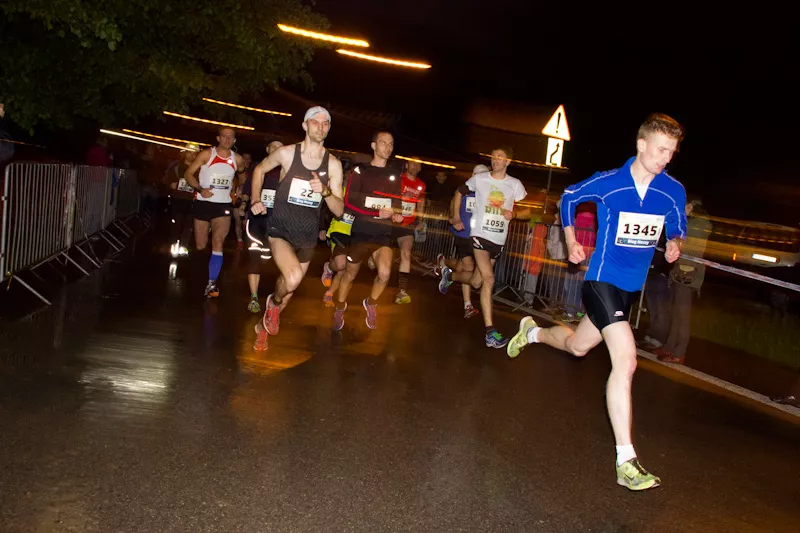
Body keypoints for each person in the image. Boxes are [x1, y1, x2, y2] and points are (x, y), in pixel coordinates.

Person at [506, 113, 688, 491]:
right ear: (641, 145)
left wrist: (675, 241)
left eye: (671, 152)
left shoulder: (672, 190)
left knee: (577, 346)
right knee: (627, 360)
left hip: (628, 290)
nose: (666, 158)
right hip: (601, 281)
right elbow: (569, 197)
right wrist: (571, 239)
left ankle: (532, 332)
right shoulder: (610, 182)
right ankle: (626, 461)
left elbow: (677, 222)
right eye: (660, 150)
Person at [250, 107, 344, 350]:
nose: (320, 127)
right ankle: (273, 304)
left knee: (290, 289)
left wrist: (325, 191)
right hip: (280, 229)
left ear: (329, 128)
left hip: (307, 236)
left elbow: (338, 210)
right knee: (292, 278)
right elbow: (259, 170)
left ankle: (263, 327)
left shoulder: (333, 165)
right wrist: (255, 199)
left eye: (325, 123)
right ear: (305, 125)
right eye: (315, 122)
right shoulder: (287, 153)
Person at [441, 148, 528, 348]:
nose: (495, 160)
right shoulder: (480, 179)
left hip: (499, 240)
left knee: (477, 281)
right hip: (480, 235)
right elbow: (459, 192)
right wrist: (456, 216)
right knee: (489, 279)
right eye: (493, 157)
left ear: (508, 161)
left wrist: (515, 214)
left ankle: (450, 275)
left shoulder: (515, 184)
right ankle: (490, 333)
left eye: (500, 157)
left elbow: (528, 211)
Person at [332, 131, 404, 331]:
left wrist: (396, 214)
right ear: (373, 145)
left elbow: (396, 202)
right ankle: (340, 307)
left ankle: (371, 303)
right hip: (361, 232)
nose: (388, 147)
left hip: (383, 233)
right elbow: (349, 202)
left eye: (391, 144)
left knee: (385, 273)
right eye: (383, 143)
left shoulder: (394, 175)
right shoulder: (360, 171)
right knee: (350, 274)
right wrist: (375, 211)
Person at [183, 127, 246, 298]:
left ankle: (212, 284)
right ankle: (203, 267)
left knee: (218, 242)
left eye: (230, 137)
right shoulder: (206, 154)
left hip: (222, 205)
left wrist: (238, 189)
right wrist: (200, 189)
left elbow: (242, 177)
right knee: (201, 245)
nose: (227, 139)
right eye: (224, 136)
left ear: (234, 140)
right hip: (203, 203)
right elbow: (188, 174)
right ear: (218, 138)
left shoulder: (237, 159)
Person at [655, 197, 711, 364]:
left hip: (687, 273)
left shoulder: (698, 225)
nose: (683, 209)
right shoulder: (692, 223)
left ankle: (679, 352)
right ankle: (669, 347)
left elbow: (692, 250)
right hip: (681, 271)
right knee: (676, 313)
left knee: (682, 315)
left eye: (686, 206)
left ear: (693, 206)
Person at [434, 164, 489, 319]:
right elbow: (453, 203)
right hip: (463, 234)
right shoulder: (465, 189)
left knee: (461, 266)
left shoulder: (487, 193)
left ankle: (444, 262)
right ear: (473, 175)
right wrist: (453, 218)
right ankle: (467, 305)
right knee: (469, 268)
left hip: (479, 236)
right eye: (478, 175)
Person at [244, 141, 283, 313]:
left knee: (268, 259)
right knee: (254, 257)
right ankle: (253, 297)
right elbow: (247, 190)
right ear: (267, 149)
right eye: (273, 147)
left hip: (277, 223)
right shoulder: (258, 169)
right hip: (257, 220)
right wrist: (244, 204)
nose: (276, 150)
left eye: (280, 147)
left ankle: (276, 294)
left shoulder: (287, 171)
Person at [393, 159, 426, 304]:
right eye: (412, 163)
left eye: (418, 164)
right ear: (406, 165)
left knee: (406, 254)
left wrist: (420, 220)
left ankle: (402, 291)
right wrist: (401, 198)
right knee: (377, 259)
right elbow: (386, 197)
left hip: (408, 225)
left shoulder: (421, 185)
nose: (415, 166)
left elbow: (421, 202)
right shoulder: (398, 179)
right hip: (391, 222)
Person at [163, 143, 200, 256]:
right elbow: (167, 180)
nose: (191, 156)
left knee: (189, 224)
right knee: (176, 223)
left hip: (192, 200)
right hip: (178, 199)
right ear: (185, 153)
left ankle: (184, 246)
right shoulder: (177, 166)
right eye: (189, 153)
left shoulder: (199, 169)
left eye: (194, 154)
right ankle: (174, 244)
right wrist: (171, 184)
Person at [232, 152, 252, 251]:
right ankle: (239, 241)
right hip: (238, 200)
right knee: (238, 221)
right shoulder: (235, 172)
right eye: (244, 158)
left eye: (248, 158)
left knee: (246, 222)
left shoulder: (253, 172)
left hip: (249, 200)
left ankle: (248, 237)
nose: (245, 160)